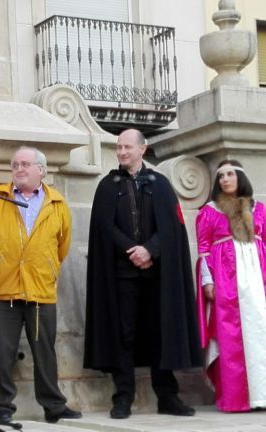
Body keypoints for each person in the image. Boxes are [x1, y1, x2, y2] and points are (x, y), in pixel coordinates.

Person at [84, 129, 201, 419]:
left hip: (157, 273)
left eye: (127, 147)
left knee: (160, 330)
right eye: (119, 147)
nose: (122, 152)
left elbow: (172, 227)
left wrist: (150, 250)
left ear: (142, 149)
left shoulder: (160, 184)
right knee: (124, 334)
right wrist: (133, 250)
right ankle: (123, 396)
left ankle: (167, 395)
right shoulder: (107, 186)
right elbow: (103, 227)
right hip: (122, 273)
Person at [0, 146, 81, 424]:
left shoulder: (57, 204)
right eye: (15, 165)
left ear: (41, 170)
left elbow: (62, 245)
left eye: (25, 164)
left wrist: (45, 269)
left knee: (45, 350)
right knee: (2, 351)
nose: (19, 169)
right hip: (4, 290)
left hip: (40, 290)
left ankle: (53, 404)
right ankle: (2, 405)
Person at [195, 160, 266, 412]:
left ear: (240, 177)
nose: (224, 179)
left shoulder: (259, 208)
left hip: (259, 280)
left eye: (230, 174)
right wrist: (207, 280)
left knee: (261, 333)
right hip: (227, 279)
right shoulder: (208, 211)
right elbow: (203, 249)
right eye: (220, 176)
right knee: (230, 334)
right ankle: (236, 399)